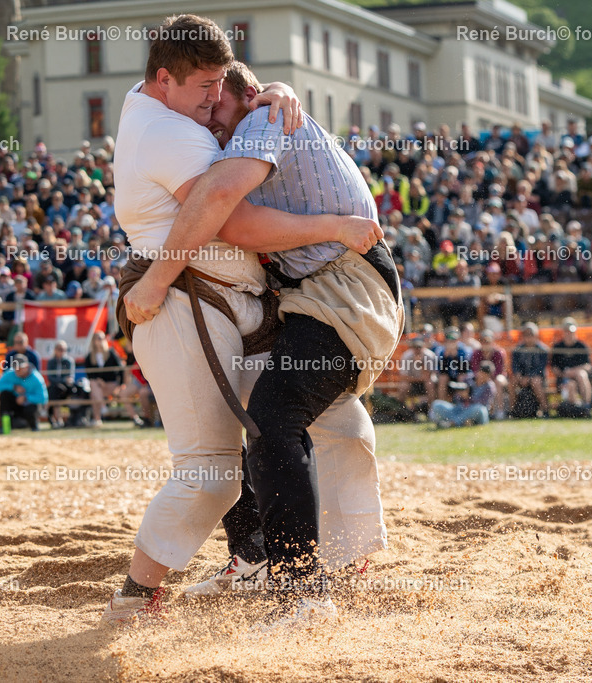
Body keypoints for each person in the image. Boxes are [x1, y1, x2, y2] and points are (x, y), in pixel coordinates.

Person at [106, 19, 388, 627]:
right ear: (163, 79)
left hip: (248, 301)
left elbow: (239, 109)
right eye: (204, 87)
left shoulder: (170, 111)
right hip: (188, 301)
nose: (213, 105)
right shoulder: (171, 131)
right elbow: (229, 220)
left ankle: (319, 563)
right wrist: (336, 225)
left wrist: (274, 92)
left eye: (219, 89)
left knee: (334, 424)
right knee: (212, 468)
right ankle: (138, 595)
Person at [428, 361, 495, 428]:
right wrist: (460, 395)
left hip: (475, 412)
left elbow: (483, 403)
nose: (482, 376)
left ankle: (452, 423)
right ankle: (465, 422)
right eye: (481, 373)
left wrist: (468, 397)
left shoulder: (489, 387)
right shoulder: (468, 379)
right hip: (461, 409)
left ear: (489, 376)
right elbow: (456, 398)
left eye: (485, 375)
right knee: (436, 404)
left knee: (479, 409)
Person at [0, 355, 47, 432]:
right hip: (15, 405)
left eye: (20, 368)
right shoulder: (10, 374)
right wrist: (13, 387)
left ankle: (34, 426)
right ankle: (5, 427)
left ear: (27, 366)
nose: (17, 370)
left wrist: (26, 397)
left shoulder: (36, 378)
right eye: (15, 368)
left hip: (30, 406)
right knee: (4, 395)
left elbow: (43, 398)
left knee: (31, 408)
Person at [550, 318, 592, 405]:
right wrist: (564, 374)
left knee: (581, 375)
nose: (569, 334)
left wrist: (573, 371)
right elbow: (554, 367)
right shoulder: (557, 347)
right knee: (570, 385)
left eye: (571, 332)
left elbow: (588, 366)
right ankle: (572, 409)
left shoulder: (581, 346)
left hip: (578, 378)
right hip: (563, 378)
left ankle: (586, 405)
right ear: (563, 332)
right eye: (566, 331)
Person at [511, 322, 550, 417]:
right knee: (512, 381)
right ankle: (512, 411)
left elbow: (541, 368)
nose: (529, 337)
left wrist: (529, 377)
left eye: (531, 334)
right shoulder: (517, 349)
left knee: (535, 381)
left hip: (538, 378)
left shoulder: (543, 350)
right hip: (522, 377)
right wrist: (519, 375)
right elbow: (515, 366)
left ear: (536, 335)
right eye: (526, 334)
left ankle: (545, 409)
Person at [45, 340, 77, 429]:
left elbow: (70, 378)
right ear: (55, 350)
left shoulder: (69, 361)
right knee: (55, 390)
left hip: (66, 388)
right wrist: (62, 380)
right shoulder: (51, 362)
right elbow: (50, 377)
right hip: (55, 387)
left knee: (55, 391)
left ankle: (54, 417)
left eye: (63, 349)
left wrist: (60, 380)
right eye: (59, 349)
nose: (61, 351)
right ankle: (58, 419)